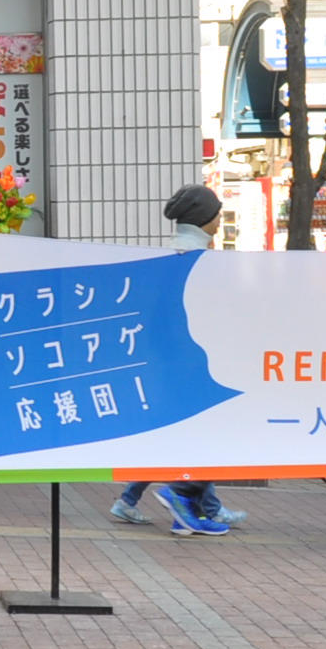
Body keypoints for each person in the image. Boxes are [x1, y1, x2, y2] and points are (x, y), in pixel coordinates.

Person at [108, 184, 234, 535]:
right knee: (208, 431)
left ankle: (189, 515)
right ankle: (183, 496)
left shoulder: (167, 253)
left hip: (167, 361)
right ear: (203, 218)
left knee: (181, 435)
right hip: (190, 360)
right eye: (217, 214)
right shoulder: (197, 259)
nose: (220, 219)